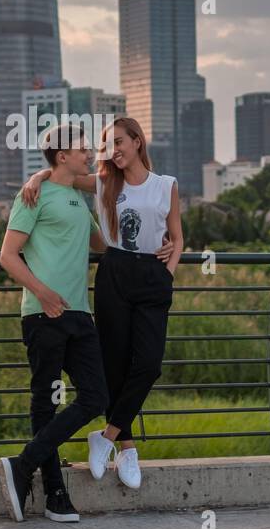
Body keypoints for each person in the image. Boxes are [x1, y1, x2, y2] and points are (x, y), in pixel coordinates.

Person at [21, 116, 183, 489]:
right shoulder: (105, 183)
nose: (112, 152)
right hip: (114, 274)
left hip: (152, 277)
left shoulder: (166, 185)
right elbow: (60, 175)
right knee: (114, 365)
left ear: (138, 142)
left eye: (119, 142)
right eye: (106, 145)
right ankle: (126, 448)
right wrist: (34, 178)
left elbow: (178, 236)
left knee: (148, 365)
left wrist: (168, 271)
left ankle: (106, 436)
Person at [0, 124, 109, 523]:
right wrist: (42, 292)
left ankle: (23, 464)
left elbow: (102, 243)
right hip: (43, 313)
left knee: (96, 397)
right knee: (45, 399)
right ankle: (55, 493)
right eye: (83, 149)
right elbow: (8, 256)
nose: (90, 154)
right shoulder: (33, 195)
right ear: (63, 156)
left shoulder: (78, 195)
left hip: (80, 312)